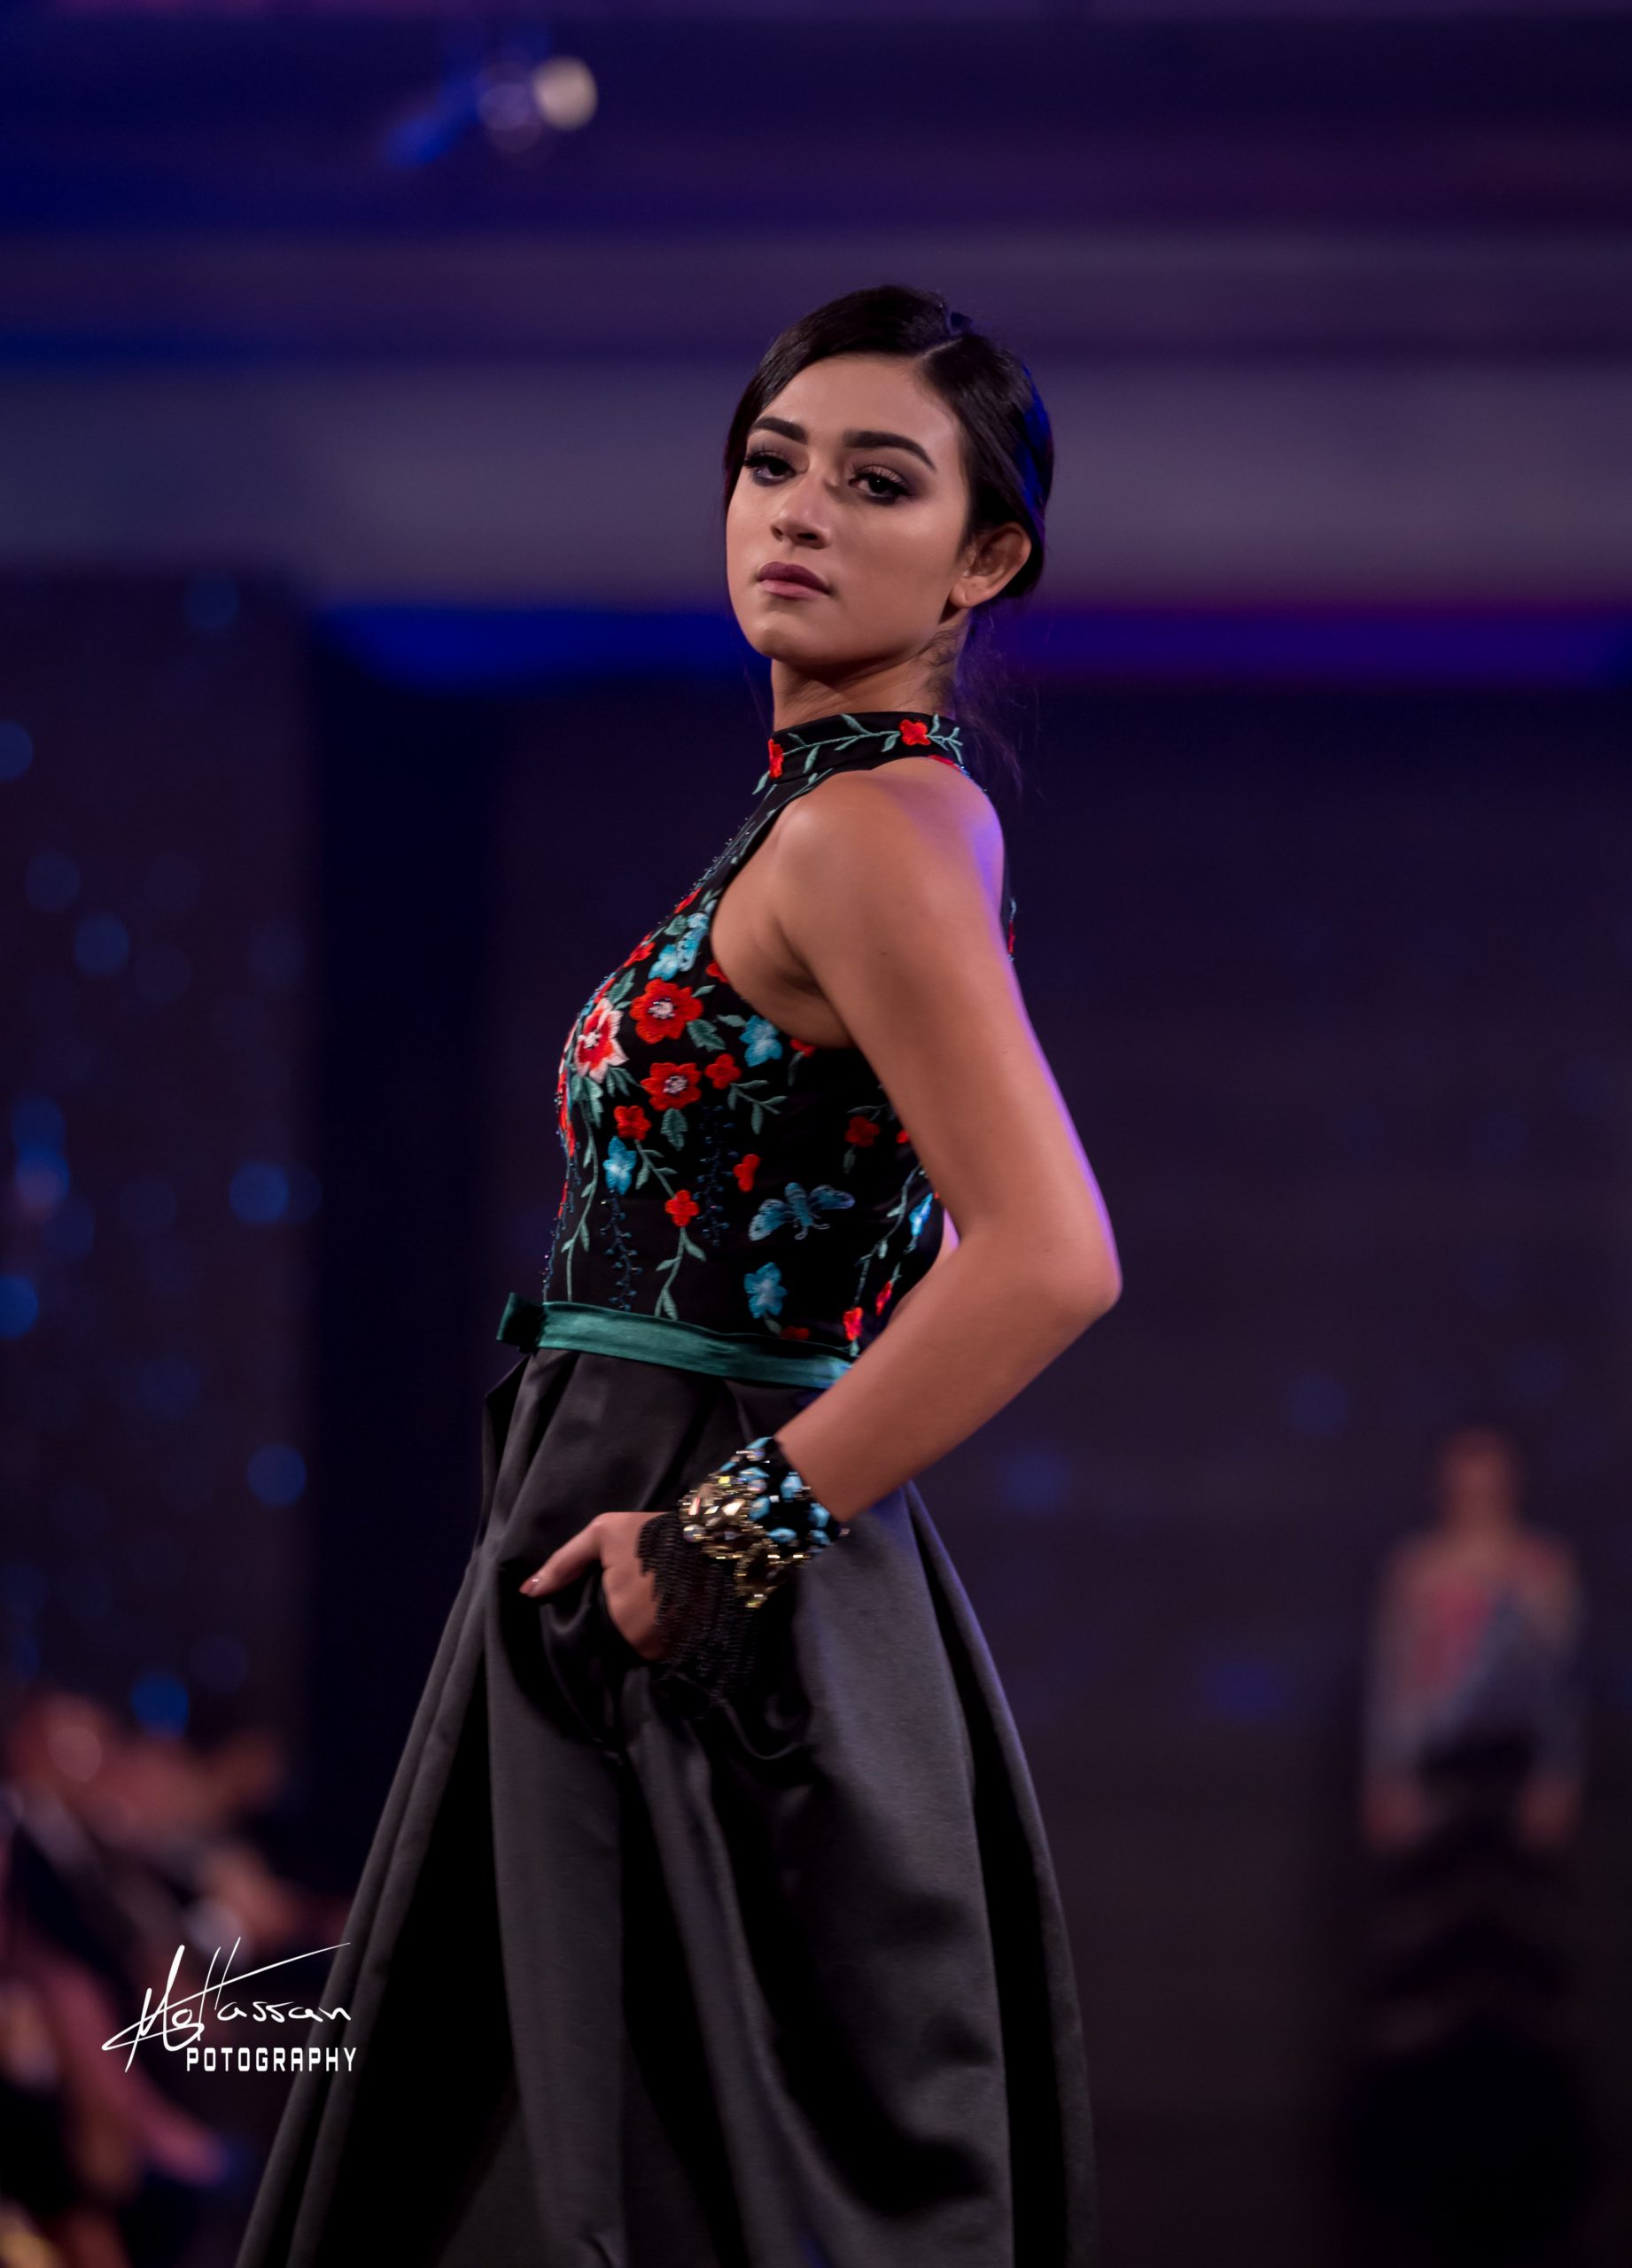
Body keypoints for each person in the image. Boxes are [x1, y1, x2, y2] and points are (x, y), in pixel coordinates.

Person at [235, 284, 1122, 2268]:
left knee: (658, 2182)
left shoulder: (876, 831)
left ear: (984, 561)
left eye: (877, 482)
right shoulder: (836, 816)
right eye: (769, 463)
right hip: (642, 1535)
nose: (796, 510)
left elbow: (1052, 1253)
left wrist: (717, 1538)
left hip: (691, 1559)